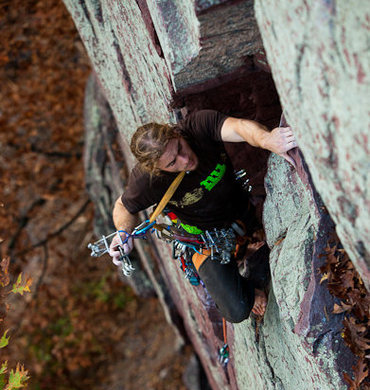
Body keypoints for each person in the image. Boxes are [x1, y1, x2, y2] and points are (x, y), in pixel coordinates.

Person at [109, 110, 296, 322]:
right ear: (157, 169)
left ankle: (250, 251)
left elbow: (239, 127)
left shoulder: (197, 127)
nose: (184, 158)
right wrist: (123, 233)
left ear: (175, 133)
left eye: (179, 147)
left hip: (241, 213)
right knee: (236, 309)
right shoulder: (147, 181)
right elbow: (123, 207)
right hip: (204, 240)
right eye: (172, 163)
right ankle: (249, 278)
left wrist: (267, 139)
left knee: (263, 241)